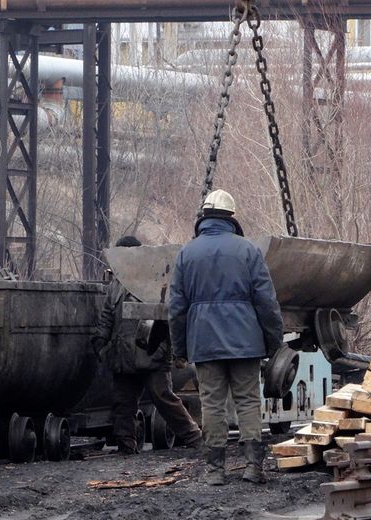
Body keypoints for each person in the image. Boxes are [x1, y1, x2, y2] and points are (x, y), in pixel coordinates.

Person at [168, 189, 284, 486]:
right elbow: (266, 302)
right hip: (245, 342)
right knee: (247, 401)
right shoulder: (248, 251)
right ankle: (252, 467)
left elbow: (176, 308)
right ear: (232, 218)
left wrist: (180, 348)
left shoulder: (186, 253)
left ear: (203, 218)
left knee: (212, 404)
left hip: (204, 342)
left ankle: (215, 471)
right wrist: (274, 342)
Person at [92, 236, 202, 455]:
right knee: (123, 403)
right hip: (123, 356)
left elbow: (170, 316)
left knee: (163, 398)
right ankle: (126, 445)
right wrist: (101, 342)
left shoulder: (156, 281)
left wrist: (175, 349)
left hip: (152, 355)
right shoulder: (116, 285)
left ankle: (194, 438)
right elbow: (107, 316)